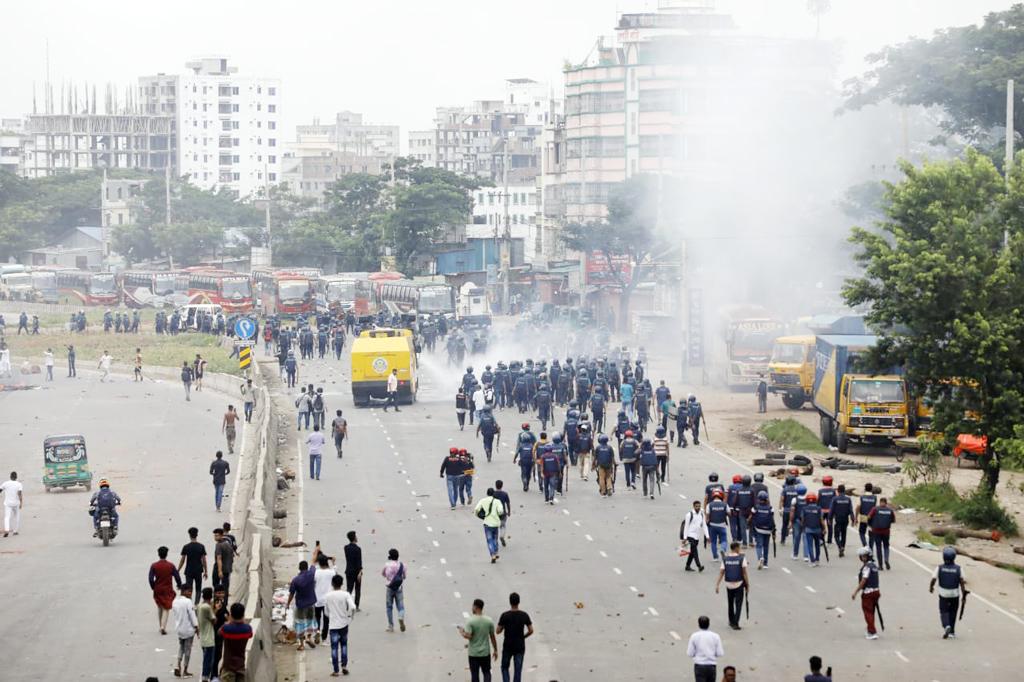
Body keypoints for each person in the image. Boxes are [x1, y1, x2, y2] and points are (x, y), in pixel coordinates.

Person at [930, 546, 967, 639]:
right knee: (953, 612)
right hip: (955, 594)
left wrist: (931, 587)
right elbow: (962, 582)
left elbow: (934, 578)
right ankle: (952, 632)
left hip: (943, 594)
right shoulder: (959, 568)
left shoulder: (939, 568)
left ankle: (946, 626)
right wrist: (963, 595)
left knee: (944, 611)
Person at [325, 573, 357, 676]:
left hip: (333, 625)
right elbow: (353, 607)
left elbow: (326, 612)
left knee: (334, 648)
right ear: (342, 584)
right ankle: (344, 666)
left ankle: (335, 670)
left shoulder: (328, 596)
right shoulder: (346, 594)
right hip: (344, 624)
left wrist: (331, 616)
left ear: (332, 584)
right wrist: (350, 617)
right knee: (344, 645)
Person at [496, 592, 533, 682]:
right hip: (519, 646)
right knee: (518, 670)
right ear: (519, 602)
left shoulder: (505, 615)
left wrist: (504, 626)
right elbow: (531, 630)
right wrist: (523, 637)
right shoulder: (524, 615)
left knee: (504, 667)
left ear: (510, 602)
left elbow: (498, 631)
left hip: (508, 645)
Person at [460, 598, 498, 682]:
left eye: (473, 606)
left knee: (474, 674)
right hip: (485, 653)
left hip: (473, 654)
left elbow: (468, 636)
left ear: (475, 607)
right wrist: (495, 649)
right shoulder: (489, 621)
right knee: (487, 673)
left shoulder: (470, 621)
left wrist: (462, 632)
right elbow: (492, 637)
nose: (472, 608)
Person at [715, 542, 749, 630]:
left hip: (728, 584)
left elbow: (721, 572)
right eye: (739, 548)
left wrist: (717, 584)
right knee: (738, 604)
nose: (740, 549)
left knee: (730, 603)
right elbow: (744, 573)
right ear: (736, 548)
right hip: (738, 583)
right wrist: (748, 585)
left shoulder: (725, 559)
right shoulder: (742, 558)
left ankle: (731, 621)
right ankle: (736, 623)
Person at [286, 559, 319, 649]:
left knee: (299, 624)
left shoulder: (296, 580)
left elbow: (292, 594)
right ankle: (308, 637)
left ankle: (301, 644)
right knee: (309, 622)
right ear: (306, 567)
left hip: (300, 605)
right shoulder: (311, 574)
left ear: (299, 569)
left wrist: (288, 603)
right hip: (310, 603)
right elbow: (313, 564)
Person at [150, 546, 183, 635]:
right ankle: (163, 627)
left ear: (158, 554)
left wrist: (154, 587)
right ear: (166, 554)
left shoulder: (154, 566)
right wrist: (179, 585)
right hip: (167, 589)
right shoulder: (171, 565)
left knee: (160, 606)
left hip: (158, 589)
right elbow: (177, 576)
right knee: (166, 608)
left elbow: (150, 578)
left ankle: (160, 625)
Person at [218, 602, 253, 682]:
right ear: (243, 614)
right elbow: (250, 634)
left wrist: (229, 621)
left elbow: (219, 633)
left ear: (231, 614)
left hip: (228, 667)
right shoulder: (247, 629)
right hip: (240, 666)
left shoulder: (226, 629)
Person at [852, 547, 881, 639]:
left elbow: (864, 580)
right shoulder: (874, 566)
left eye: (863, 556)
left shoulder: (866, 568)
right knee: (871, 612)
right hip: (876, 591)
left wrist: (855, 592)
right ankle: (870, 628)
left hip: (868, 593)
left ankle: (872, 632)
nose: (861, 558)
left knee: (868, 612)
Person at [172, 585, 198, 678]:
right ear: (183, 591)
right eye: (188, 591)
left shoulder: (175, 601)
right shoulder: (188, 602)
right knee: (187, 650)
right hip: (188, 630)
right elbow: (192, 615)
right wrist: (196, 626)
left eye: (191, 591)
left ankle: (177, 665)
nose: (190, 593)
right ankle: (185, 670)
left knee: (181, 647)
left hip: (179, 629)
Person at [687, 616, 723, 682]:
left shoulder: (694, 636)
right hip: (711, 666)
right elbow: (720, 653)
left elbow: (690, 653)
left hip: (699, 665)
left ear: (699, 624)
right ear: (709, 624)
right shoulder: (715, 636)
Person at [313, 550, 339, 641]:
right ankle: (324, 636)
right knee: (326, 619)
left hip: (318, 598)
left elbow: (313, 581)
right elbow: (336, 572)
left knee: (317, 616)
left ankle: (317, 631)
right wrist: (333, 562)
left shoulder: (316, 572)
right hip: (328, 600)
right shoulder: (331, 572)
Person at [474, 487, 504, 563]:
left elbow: (476, 509)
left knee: (489, 540)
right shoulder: (497, 501)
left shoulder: (482, 500)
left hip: (487, 523)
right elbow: (501, 511)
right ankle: (496, 552)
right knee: (495, 539)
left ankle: (493, 555)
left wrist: (478, 515)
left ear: (487, 493)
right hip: (495, 523)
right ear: (493, 494)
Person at [178, 527, 208, 603]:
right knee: (198, 589)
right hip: (198, 570)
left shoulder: (186, 547)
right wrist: (206, 571)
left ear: (189, 535)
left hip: (189, 571)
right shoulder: (201, 546)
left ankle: (189, 604)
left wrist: (178, 570)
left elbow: (182, 560)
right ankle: (196, 604)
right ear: (197, 535)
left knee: (189, 589)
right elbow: (204, 560)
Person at [382, 548, 407, 633]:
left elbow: (383, 574)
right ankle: (400, 617)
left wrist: (390, 577)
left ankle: (391, 626)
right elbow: (404, 577)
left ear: (390, 556)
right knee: (401, 607)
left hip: (389, 587)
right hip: (399, 588)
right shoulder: (402, 565)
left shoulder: (387, 565)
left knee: (389, 607)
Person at [867, 496, 895, 570]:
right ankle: (886, 559)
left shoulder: (875, 509)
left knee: (878, 547)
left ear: (880, 502)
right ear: (886, 503)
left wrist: (870, 524)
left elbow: (869, 517)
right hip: (886, 531)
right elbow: (893, 520)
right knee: (886, 546)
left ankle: (880, 565)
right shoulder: (890, 510)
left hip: (876, 531)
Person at [680, 500, 708, 572]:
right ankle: (699, 566)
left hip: (697, 536)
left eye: (699, 506)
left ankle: (687, 566)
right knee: (695, 550)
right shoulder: (689, 515)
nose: (698, 507)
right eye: (696, 506)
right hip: (690, 535)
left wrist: (707, 536)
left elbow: (704, 525)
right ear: (693, 506)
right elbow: (686, 526)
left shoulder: (701, 514)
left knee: (692, 552)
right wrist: (685, 538)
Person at [197, 587, 217, 682]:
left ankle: (206, 676)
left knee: (206, 658)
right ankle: (205, 677)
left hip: (203, 636)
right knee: (208, 660)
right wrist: (216, 609)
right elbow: (214, 620)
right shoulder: (207, 607)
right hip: (209, 638)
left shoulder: (200, 606)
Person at [831, 484, 854, 557]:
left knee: (836, 535)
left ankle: (840, 546)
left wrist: (829, 518)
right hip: (845, 519)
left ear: (838, 490)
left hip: (838, 519)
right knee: (844, 534)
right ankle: (843, 547)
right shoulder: (848, 499)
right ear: (844, 491)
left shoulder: (835, 499)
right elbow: (851, 510)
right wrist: (853, 519)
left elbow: (831, 510)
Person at [344, 531, 363, 611]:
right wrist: (360, 571)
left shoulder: (346, 548)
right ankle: (356, 605)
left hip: (349, 570)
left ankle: (346, 605)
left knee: (349, 588)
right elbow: (359, 561)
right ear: (354, 538)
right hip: (356, 571)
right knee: (357, 589)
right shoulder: (358, 549)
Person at [212, 527, 234, 597]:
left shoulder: (219, 545)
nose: (215, 537)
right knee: (225, 587)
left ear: (222, 535)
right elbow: (231, 556)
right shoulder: (227, 544)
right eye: (214, 535)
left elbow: (219, 558)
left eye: (217, 535)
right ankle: (225, 603)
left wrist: (219, 571)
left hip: (219, 568)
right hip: (227, 569)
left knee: (216, 586)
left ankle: (217, 603)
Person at [1, 471, 23, 537]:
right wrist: (21, 502)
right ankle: (15, 531)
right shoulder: (19, 484)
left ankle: (7, 530)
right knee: (16, 516)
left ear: (10, 477)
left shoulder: (5, 483)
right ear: (16, 477)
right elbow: (19, 494)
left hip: (8, 503)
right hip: (16, 503)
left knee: (7, 517)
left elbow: (0, 490)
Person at [856, 482, 877, 547]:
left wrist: (856, 517)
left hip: (863, 517)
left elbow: (858, 507)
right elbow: (875, 508)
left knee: (862, 532)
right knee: (872, 533)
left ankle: (865, 545)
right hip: (872, 517)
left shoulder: (862, 497)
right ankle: (870, 547)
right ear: (871, 489)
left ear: (865, 489)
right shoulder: (875, 498)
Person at [492, 480, 511, 548]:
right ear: (502, 486)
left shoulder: (493, 494)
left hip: (495, 513)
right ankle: (502, 536)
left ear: (495, 485)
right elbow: (508, 503)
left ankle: (495, 540)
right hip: (502, 512)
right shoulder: (505, 494)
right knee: (502, 525)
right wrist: (509, 511)